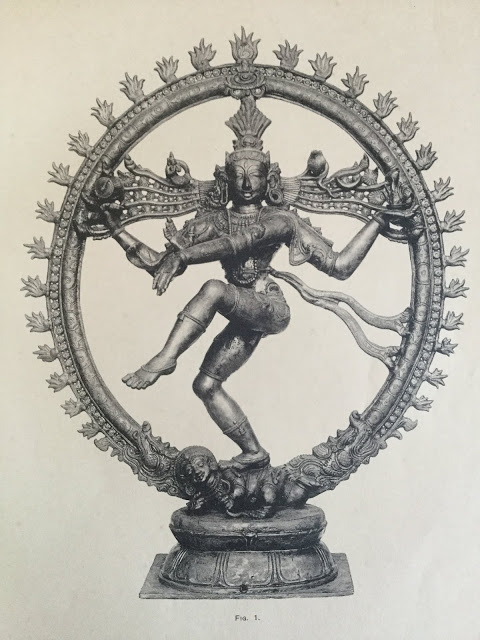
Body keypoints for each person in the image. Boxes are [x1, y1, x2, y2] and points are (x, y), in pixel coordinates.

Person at [102, 97, 394, 471]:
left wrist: (379, 220)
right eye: (237, 175)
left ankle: (167, 356)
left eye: (254, 175)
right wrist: (114, 228)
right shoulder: (214, 221)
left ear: (268, 180)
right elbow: (160, 262)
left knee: (213, 288)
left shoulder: (280, 220)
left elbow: (338, 266)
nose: (245, 183)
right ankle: (253, 452)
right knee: (206, 386)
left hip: (268, 305)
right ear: (225, 179)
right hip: (242, 314)